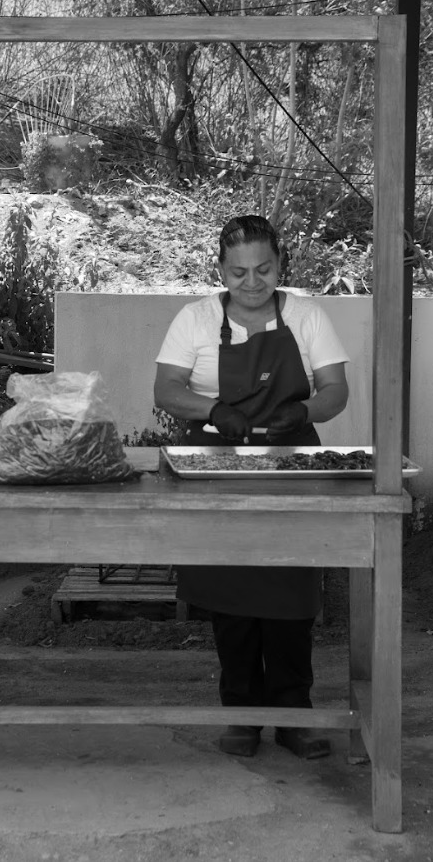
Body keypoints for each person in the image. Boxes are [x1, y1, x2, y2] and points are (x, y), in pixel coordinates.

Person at [154, 214, 349, 761]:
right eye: (239, 272)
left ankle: (293, 716)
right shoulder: (195, 319)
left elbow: (336, 389)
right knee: (231, 595)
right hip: (216, 466)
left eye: (263, 269)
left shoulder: (307, 315)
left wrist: (305, 411)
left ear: (280, 264)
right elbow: (166, 389)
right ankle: (241, 713)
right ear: (220, 270)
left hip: (293, 464)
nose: (252, 282)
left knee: (291, 593)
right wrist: (213, 410)